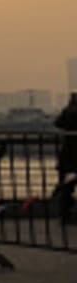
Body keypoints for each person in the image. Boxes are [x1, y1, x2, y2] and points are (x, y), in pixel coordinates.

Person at [55, 93, 77, 222]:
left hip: (67, 157)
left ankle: (65, 215)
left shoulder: (68, 113)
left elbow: (58, 123)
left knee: (66, 188)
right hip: (70, 157)